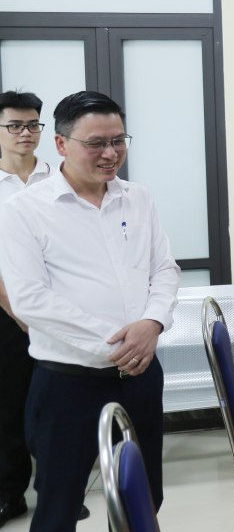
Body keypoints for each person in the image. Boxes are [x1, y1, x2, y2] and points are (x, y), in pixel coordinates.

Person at [0, 90, 179, 531]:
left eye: (119, 140)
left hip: (139, 377)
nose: (110, 153)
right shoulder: (23, 211)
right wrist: (120, 343)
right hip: (67, 384)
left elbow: (165, 269)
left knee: (144, 497)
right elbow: (29, 299)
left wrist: (152, 323)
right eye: (96, 143)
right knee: (58, 506)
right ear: (61, 144)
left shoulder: (138, 198)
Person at [0, 91, 52, 528]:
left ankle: (59, 490)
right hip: (5, 316)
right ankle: (9, 493)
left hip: (57, 312)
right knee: (8, 406)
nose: (25, 133)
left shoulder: (57, 178)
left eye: (33, 124)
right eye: (15, 125)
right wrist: (19, 313)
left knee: (53, 406)